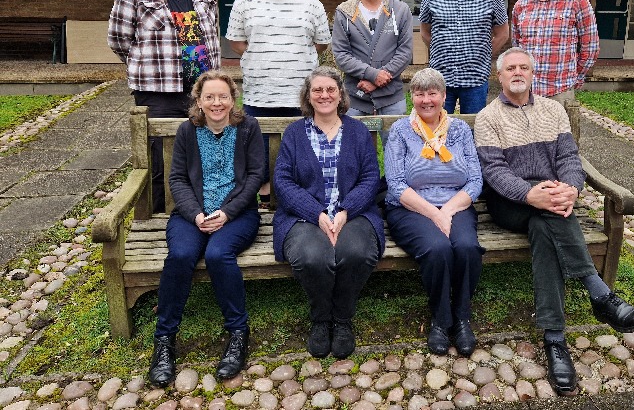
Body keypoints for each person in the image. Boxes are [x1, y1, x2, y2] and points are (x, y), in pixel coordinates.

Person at [474, 47, 634, 396]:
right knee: (547, 214)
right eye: (511, 68)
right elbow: (494, 171)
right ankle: (600, 293)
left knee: (545, 226)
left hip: (551, 200)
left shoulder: (553, 110)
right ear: (500, 76)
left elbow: (570, 158)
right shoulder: (488, 117)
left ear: (532, 73)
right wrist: (530, 194)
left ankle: (555, 340)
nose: (518, 72)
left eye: (524, 67)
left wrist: (570, 188)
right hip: (509, 202)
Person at [148, 70, 264, 387]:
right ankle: (164, 340)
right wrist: (196, 214)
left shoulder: (248, 128)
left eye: (223, 96)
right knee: (181, 255)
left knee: (217, 255)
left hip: (237, 215)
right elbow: (177, 179)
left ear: (232, 99)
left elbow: (255, 176)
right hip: (192, 215)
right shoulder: (188, 131)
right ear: (198, 101)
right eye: (209, 97)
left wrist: (227, 212)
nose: (216, 103)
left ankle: (238, 332)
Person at [272, 66, 383, 359]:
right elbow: (282, 181)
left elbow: (370, 177)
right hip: (304, 215)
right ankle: (321, 319)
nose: (324, 95)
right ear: (308, 96)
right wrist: (317, 214)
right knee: (312, 257)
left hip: (353, 213)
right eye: (317, 90)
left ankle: (342, 319)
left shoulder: (357, 131)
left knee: (357, 252)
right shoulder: (295, 133)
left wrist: (345, 211)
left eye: (331, 89)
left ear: (341, 94)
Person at [109, 0, 221, 214]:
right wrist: (145, 65)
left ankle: (201, 211)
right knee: (160, 161)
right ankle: (160, 216)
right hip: (159, 93)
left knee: (202, 156)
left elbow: (212, 32)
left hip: (201, 92)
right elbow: (119, 40)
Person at [383, 68, 484, 357]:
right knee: (437, 248)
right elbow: (396, 183)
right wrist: (434, 213)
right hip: (411, 207)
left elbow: (475, 180)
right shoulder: (401, 131)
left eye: (432, 93)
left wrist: (447, 211)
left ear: (443, 96)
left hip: (455, 204)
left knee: (467, 247)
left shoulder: (460, 130)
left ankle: (462, 318)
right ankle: (441, 319)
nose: (426, 100)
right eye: (419, 94)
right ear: (411, 97)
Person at [225, 0, 331, 195]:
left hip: (302, 99)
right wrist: (263, 56)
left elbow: (321, 43)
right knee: (260, 162)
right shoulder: (245, 1)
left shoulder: (310, 1)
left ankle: (301, 201)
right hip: (259, 98)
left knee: (303, 161)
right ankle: (265, 206)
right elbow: (237, 43)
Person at [419, 0, 509, 114]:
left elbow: (503, 33)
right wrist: (441, 51)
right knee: (437, 126)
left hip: (475, 79)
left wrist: (482, 55)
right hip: (440, 79)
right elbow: (425, 31)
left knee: (474, 127)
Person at [511, 0, 599, 104]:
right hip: (525, 93)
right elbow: (517, 49)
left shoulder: (577, 1)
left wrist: (574, 78)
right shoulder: (521, 5)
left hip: (559, 93)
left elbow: (590, 48)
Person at [332, 0, 412, 125]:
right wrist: (373, 75)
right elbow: (341, 55)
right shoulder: (344, 12)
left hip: (391, 97)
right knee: (354, 142)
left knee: (395, 141)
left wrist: (378, 80)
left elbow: (405, 52)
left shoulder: (400, 10)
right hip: (355, 96)